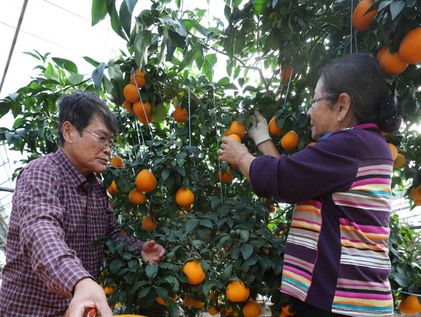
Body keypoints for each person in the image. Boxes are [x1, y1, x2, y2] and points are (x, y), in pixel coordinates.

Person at [218, 53, 401, 317]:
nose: (308, 110)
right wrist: (262, 140)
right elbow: (293, 183)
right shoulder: (364, 146)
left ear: (342, 106)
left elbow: (282, 179)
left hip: (340, 302)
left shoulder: (351, 145)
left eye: (314, 100)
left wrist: (241, 157)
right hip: (350, 300)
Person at [0, 91, 166, 317]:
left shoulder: (96, 188)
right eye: (101, 138)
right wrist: (79, 281)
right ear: (68, 131)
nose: (108, 148)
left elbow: (110, 234)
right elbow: (41, 232)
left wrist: (139, 248)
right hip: (29, 311)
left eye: (111, 141)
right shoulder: (41, 173)